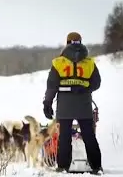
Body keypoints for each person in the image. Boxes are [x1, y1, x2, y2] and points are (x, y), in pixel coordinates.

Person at [42, 32, 103, 174]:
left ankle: (63, 166)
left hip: (64, 105)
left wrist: (47, 103)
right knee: (89, 136)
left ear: (67, 42)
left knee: (64, 137)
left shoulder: (58, 63)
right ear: (80, 41)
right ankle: (96, 167)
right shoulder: (89, 63)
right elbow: (96, 83)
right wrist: (85, 88)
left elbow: (52, 86)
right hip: (84, 103)